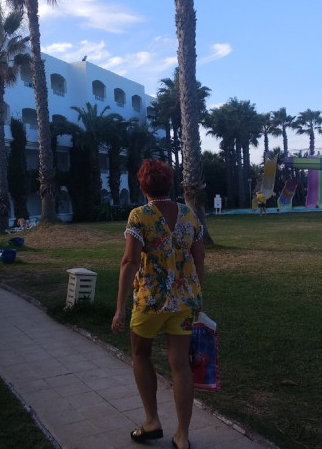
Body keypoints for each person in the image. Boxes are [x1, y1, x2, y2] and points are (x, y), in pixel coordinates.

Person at [112, 159, 205, 449]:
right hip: (184, 302)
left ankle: (152, 421)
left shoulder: (139, 216)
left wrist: (120, 308)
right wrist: (196, 294)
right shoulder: (189, 215)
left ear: (143, 187)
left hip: (149, 302)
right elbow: (199, 257)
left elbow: (129, 261)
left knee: (141, 354)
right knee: (181, 365)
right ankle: (182, 436)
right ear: (170, 183)